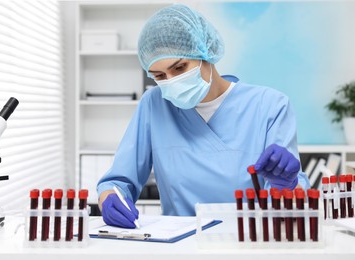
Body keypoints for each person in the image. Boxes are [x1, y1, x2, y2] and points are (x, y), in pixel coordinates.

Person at [96, 4, 310, 228]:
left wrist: (286, 185)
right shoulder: (154, 104)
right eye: (159, 75)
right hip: (179, 244)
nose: (170, 81)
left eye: (179, 68)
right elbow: (118, 180)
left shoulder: (270, 106)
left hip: (249, 239)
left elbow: (287, 211)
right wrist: (110, 197)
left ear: (206, 53)